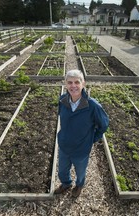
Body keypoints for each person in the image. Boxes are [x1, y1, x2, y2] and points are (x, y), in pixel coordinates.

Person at [54, 69, 109, 198]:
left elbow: (104, 125)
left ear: (83, 84)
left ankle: (79, 185)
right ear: (66, 84)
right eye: (70, 82)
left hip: (81, 148)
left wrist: (91, 139)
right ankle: (66, 183)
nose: (73, 86)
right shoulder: (62, 100)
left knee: (80, 171)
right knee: (62, 170)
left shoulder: (92, 105)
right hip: (64, 145)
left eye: (77, 82)